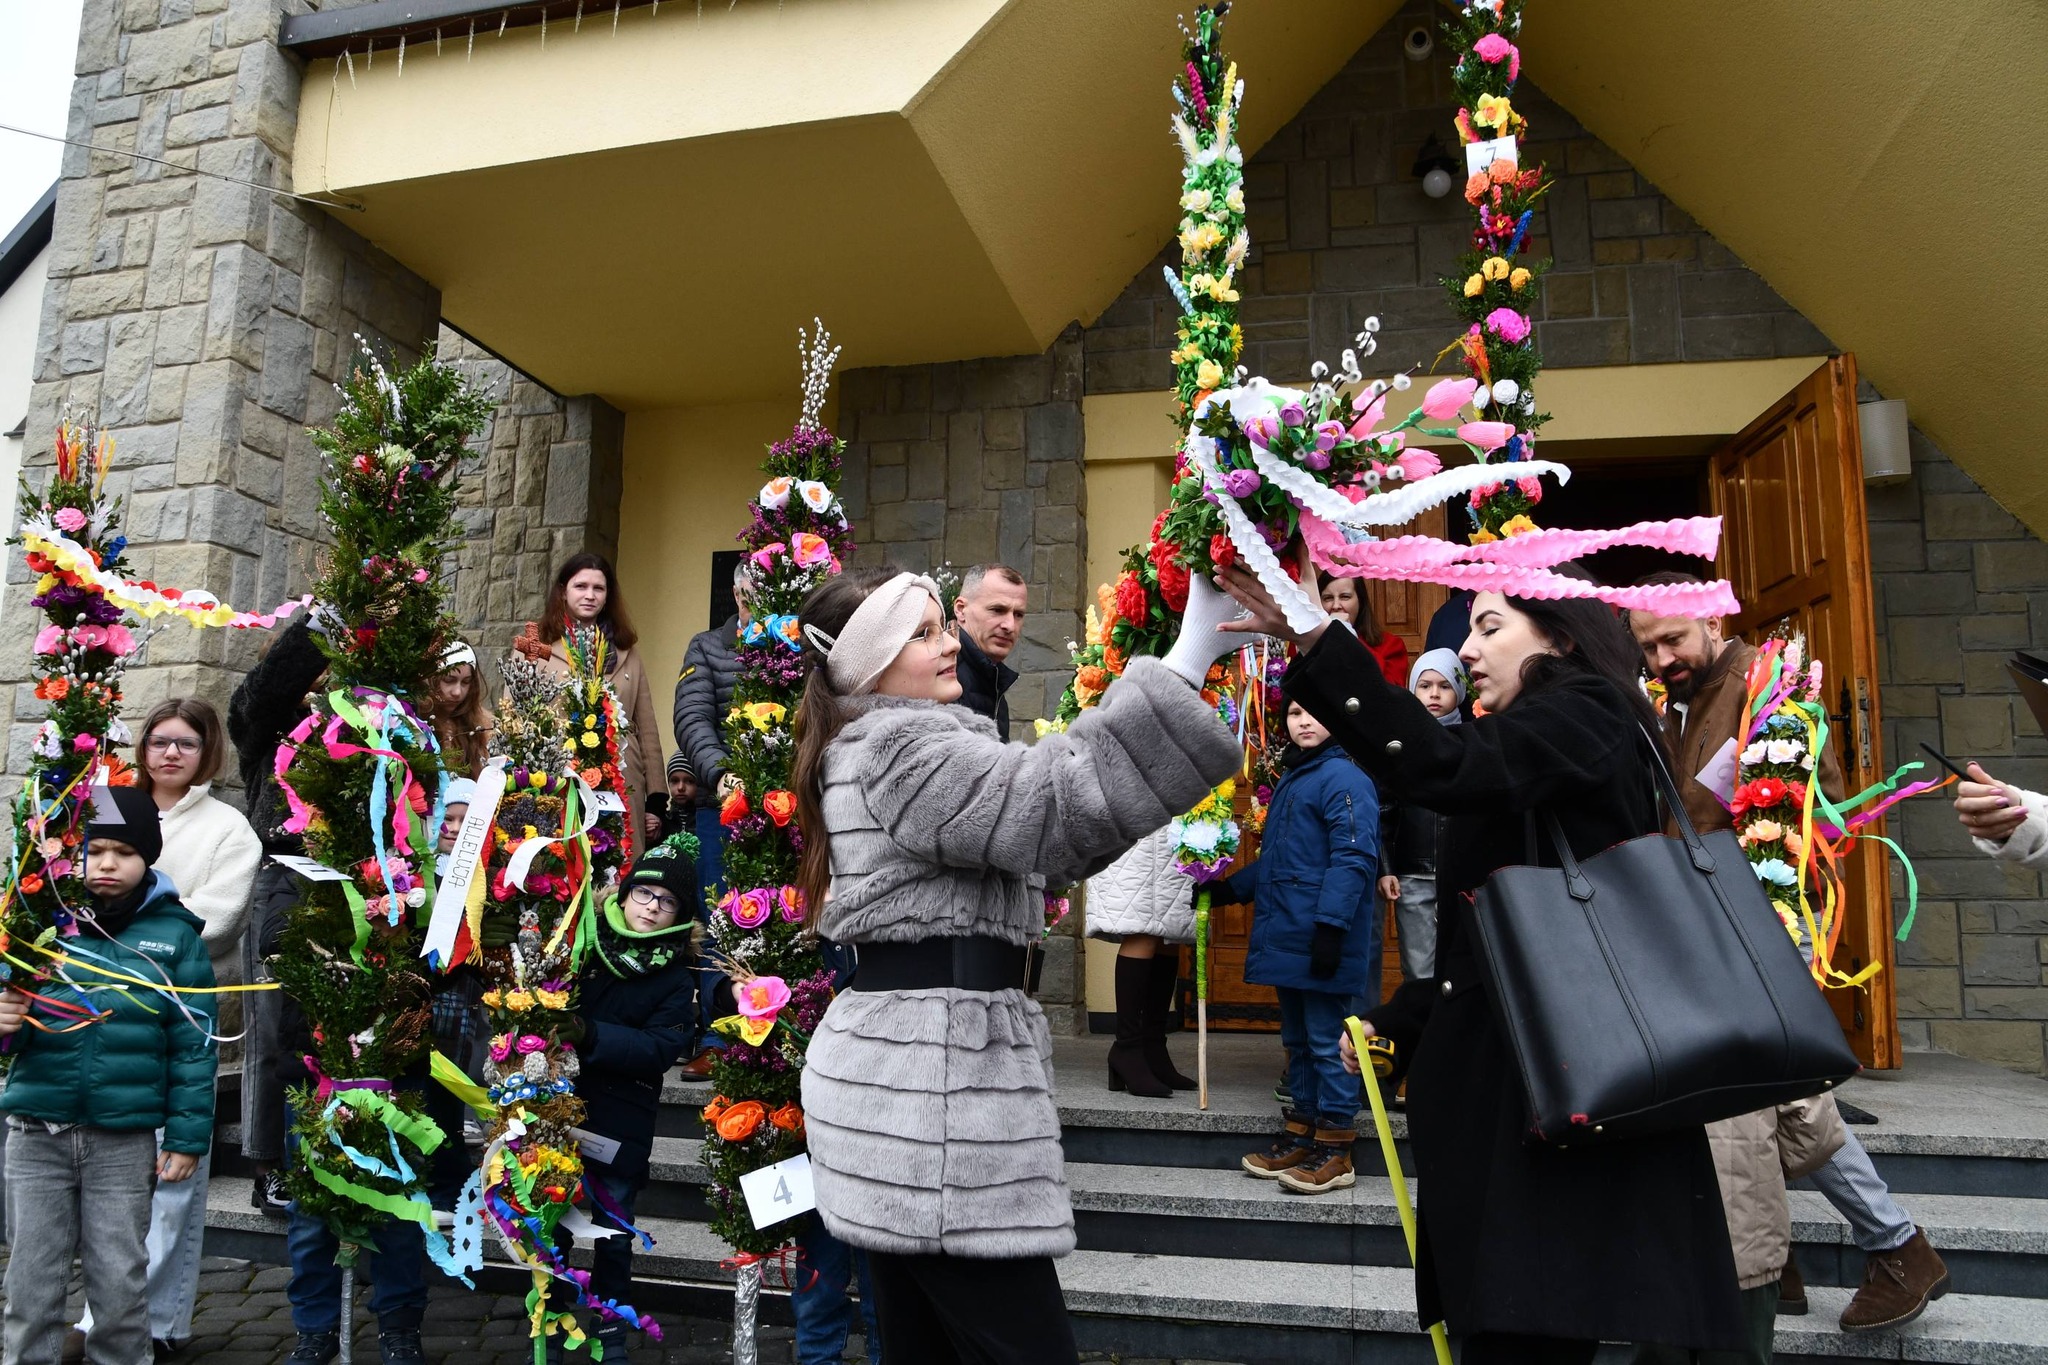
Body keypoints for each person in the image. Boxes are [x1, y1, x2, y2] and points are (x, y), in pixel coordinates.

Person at [1218, 558, 1746, 1363]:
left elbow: (1438, 765)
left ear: (1562, 637)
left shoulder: (1590, 709)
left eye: (1489, 625)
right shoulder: (1533, 738)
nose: (1465, 650)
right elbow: (1502, 935)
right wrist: (1402, 1016)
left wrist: (1321, 641)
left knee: (1522, 1329)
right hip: (1520, 1101)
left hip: (1548, 1109)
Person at [794, 567, 1242, 1362]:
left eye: (941, 626)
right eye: (923, 633)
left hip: (914, 1081)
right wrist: (1187, 657)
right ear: (869, 664)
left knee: (924, 1345)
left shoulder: (906, 741)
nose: (948, 645)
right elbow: (1047, 804)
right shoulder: (899, 746)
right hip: (932, 1096)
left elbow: (1051, 838)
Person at [1629, 576, 1951, 1333]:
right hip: (1703, 926)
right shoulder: (1672, 696)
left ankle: (1896, 1245)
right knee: (1762, 1098)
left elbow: (1806, 812)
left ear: (1714, 616)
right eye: (1646, 644)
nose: (1661, 654)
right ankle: (1789, 1264)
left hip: (1765, 921)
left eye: (1673, 636)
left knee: (1782, 1092)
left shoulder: (1766, 685)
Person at [0, 785, 218, 1365]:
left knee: (121, 1285)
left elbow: (194, 1045)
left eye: (123, 851)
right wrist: (5, 1023)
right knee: (30, 1285)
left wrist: (189, 1136)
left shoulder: (174, 938)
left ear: (148, 856)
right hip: (35, 1135)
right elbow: (11, 1038)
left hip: (122, 1143)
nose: (107, 864)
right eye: (95, 851)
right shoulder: (41, 926)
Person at [72, 699, 261, 1353]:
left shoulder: (227, 827)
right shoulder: (109, 805)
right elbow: (72, 890)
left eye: (186, 742)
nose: (170, 753)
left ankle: (160, 1322)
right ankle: (103, 1317)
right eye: (158, 740)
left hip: (179, 1016)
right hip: (95, 1024)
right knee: (107, 1187)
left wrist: (138, 930)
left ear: (206, 750)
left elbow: (220, 913)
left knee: (173, 1179)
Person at [1221, 698, 1381, 1195]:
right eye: (1294, 712)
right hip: (1289, 932)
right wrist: (1231, 888)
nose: (1305, 720)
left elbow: (1353, 858)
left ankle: (1336, 1145)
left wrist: (1332, 927)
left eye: (1316, 710)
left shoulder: (1347, 779)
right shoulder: (1297, 776)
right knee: (1297, 1041)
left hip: (1319, 934)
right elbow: (1284, 860)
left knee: (1327, 1042)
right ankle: (1304, 1128)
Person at [559, 834, 700, 1364]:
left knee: (613, 1234)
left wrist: (588, 1034)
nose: (653, 908)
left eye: (668, 903)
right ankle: (549, 1319)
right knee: (550, 1219)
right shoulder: (587, 942)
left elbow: (661, 1047)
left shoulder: (674, 978)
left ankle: (611, 1332)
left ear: (679, 916)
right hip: (560, 1107)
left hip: (620, 1124)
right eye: (645, 894)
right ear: (625, 893)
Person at [228, 612, 331, 1217]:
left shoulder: (359, 715)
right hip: (284, 876)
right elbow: (261, 693)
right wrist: (319, 624)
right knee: (273, 1032)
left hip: (352, 883)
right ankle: (268, 1164)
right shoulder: (266, 721)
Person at [526, 553, 667, 855]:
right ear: (563, 591)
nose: (590, 595)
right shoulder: (535, 645)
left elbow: (646, 725)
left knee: (622, 870)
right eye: (581, 586)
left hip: (622, 780)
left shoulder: (627, 649)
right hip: (558, 778)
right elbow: (519, 722)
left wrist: (656, 797)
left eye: (598, 588)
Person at [1084, 824, 1198, 1098]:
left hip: (1176, 828)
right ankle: (1127, 1047)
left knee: (1170, 934)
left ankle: (1153, 1046)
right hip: (1139, 827)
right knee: (1142, 928)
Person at [1377, 651, 1464, 985]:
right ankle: (1422, 1032)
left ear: (1459, 689)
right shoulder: (1399, 746)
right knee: (1418, 969)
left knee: (1460, 965)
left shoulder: (1473, 740)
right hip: (1414, 873)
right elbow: (1385, 810)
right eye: (1425, 685)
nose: (1434, 694)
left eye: (1444, 685)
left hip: (1462, 874)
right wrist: (1387, 869)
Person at [951, 563, 1028, 736]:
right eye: (997, 610)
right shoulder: (942, 674)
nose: (1010, 626)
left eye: (1018, 614)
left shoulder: (993, 680)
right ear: (961, 610)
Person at [1319, 572, 1407, 687]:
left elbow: (1391, 693)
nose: (1336, 606)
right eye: (1328, 598)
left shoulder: (1391, 645)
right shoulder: (1307, 643)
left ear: (1360, 601)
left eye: (1345, 597)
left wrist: (1349, 637)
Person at [424, 640, 493, 777]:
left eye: (466, 682)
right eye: (449, 680)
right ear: (432, 678)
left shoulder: (483, 726)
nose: (457, 692)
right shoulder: (414, 720)